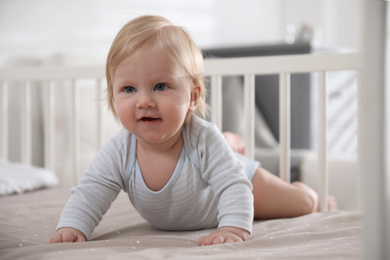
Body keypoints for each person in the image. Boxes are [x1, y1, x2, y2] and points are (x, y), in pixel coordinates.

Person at [46, 15, 336, 246]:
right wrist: (72, 227)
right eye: (129, 88)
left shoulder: (201, 138)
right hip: (207, 192)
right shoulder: (119, 151)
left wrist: (232, 228)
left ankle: (304, 190)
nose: (144, 100)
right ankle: (232, 144)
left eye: (161, 86)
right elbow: (90, 191)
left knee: (299, 204)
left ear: (193, 97)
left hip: (242, 182)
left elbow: (234, 187)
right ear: (113, 96)